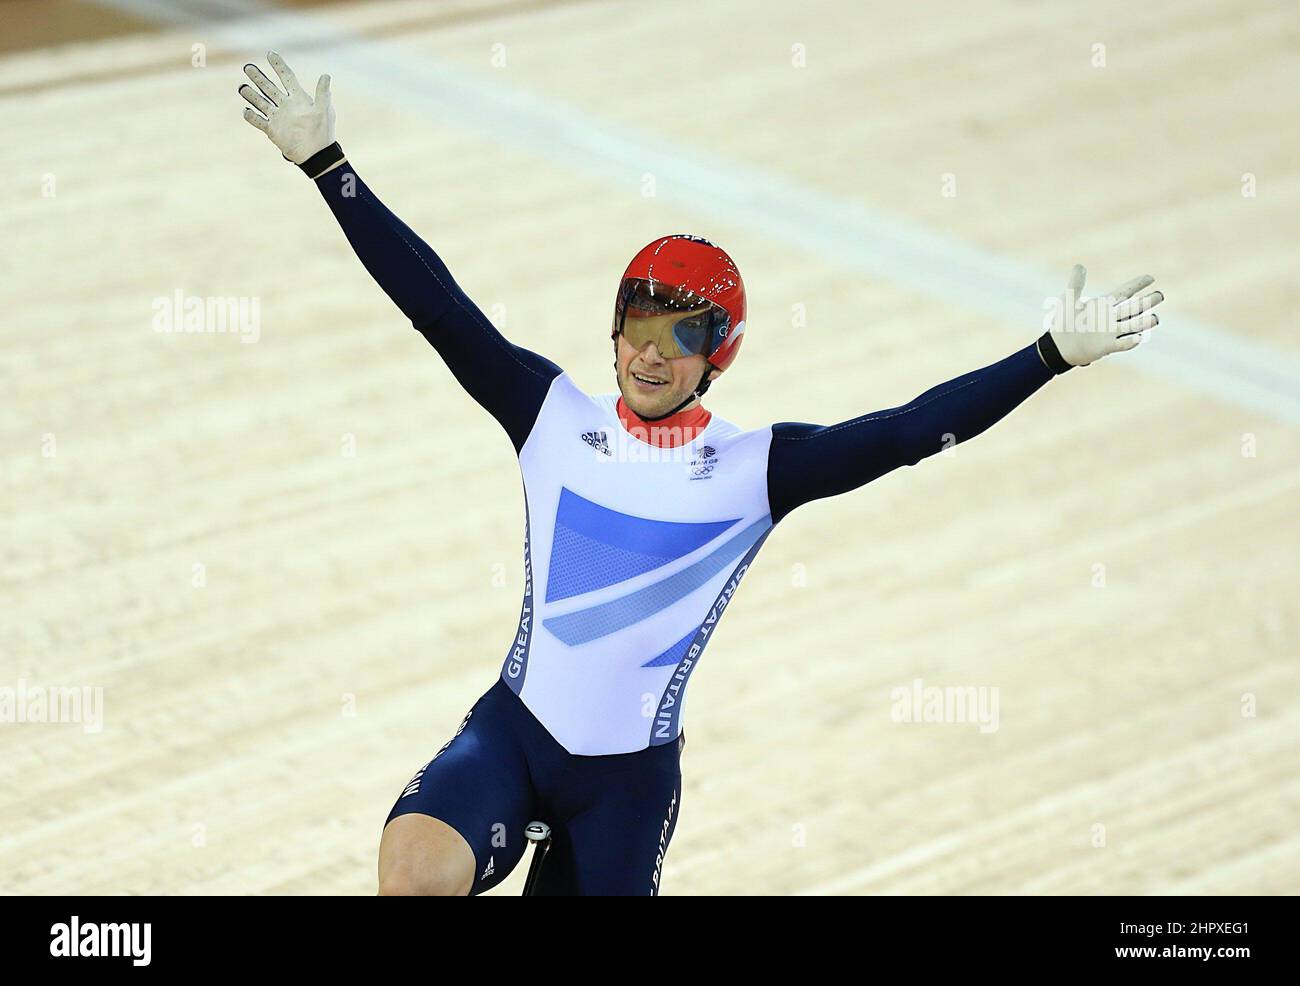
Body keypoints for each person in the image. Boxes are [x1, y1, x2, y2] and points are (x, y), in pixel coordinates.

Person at [239, 53, 1164, 895]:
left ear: (719, 355)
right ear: (614, 330)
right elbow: (436, 304)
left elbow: (911, 430)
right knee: (409, 877)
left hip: (625, 790)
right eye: (639, 325)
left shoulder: (755, 470)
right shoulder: (547, 415)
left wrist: (1049, 355)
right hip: (513, 741)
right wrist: (330, 169)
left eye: (682, 336)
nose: (652, 354)